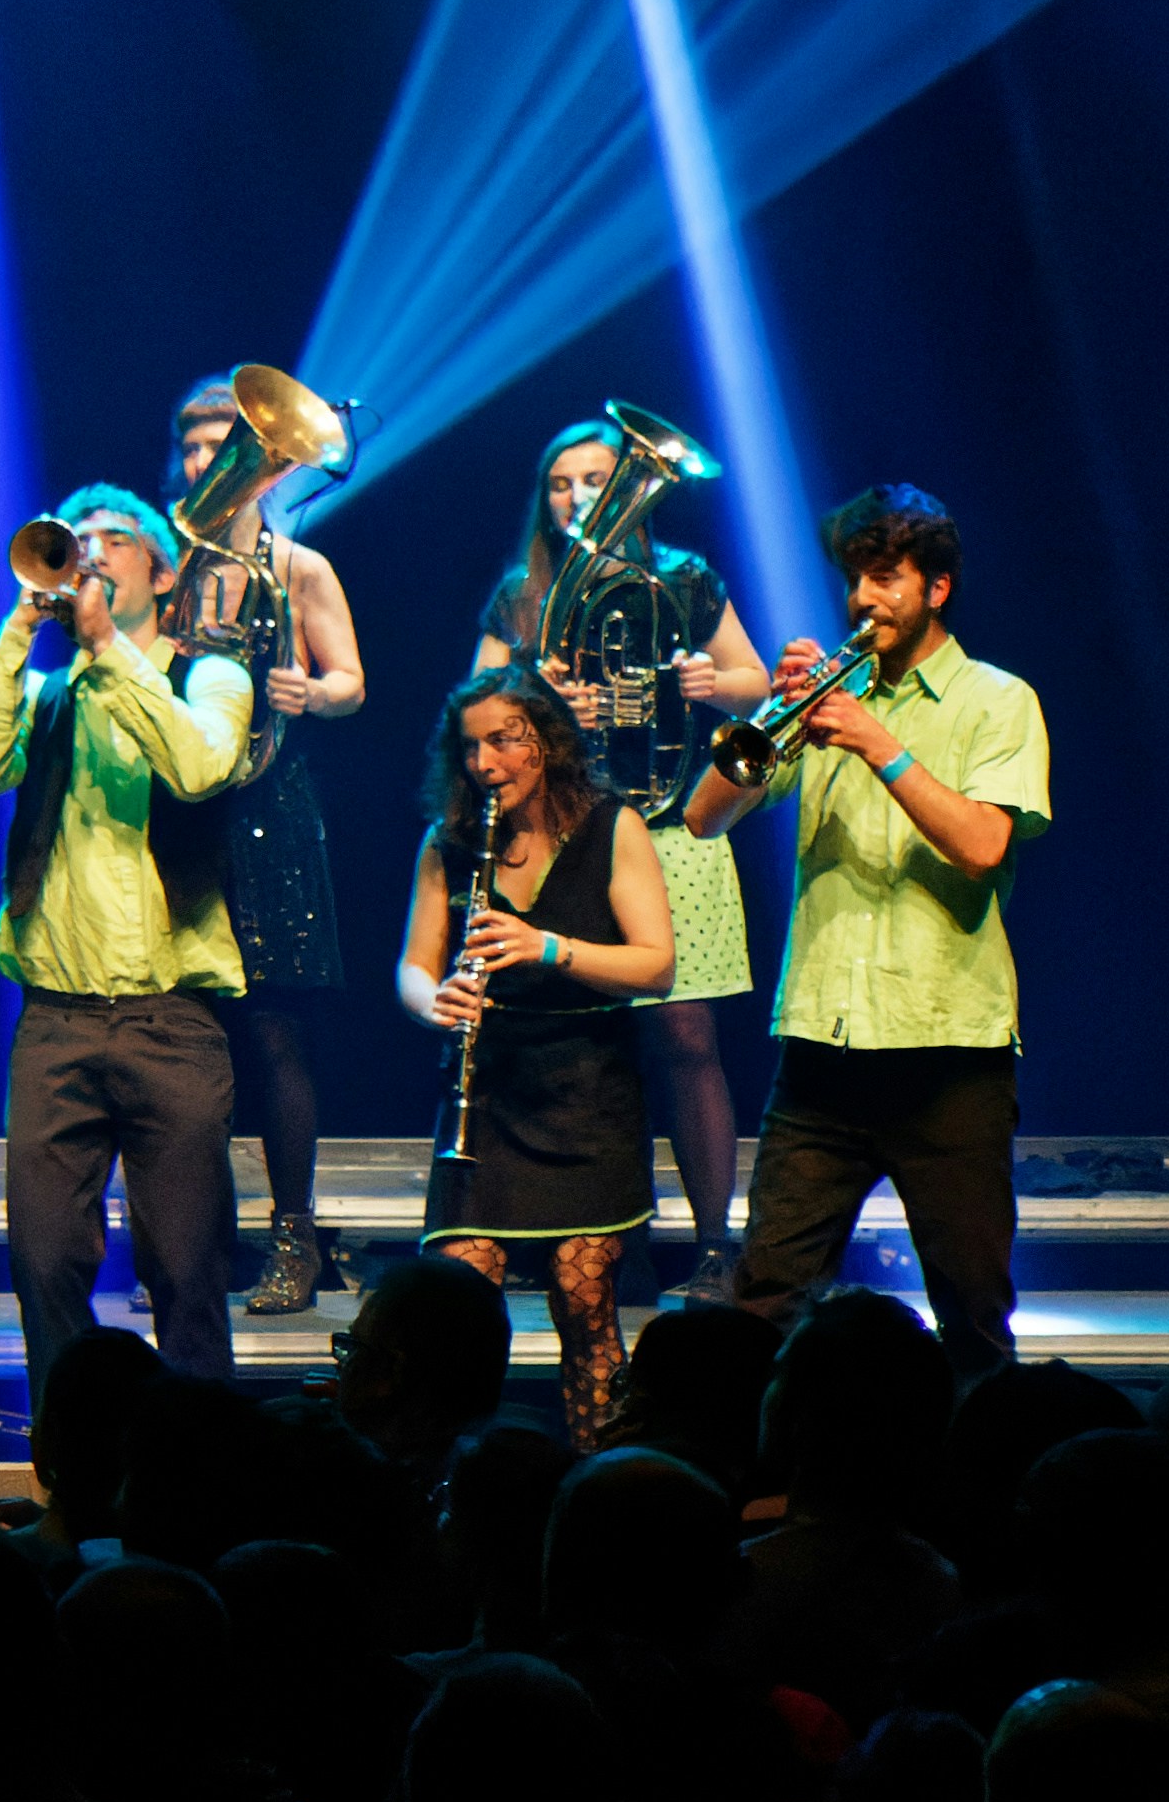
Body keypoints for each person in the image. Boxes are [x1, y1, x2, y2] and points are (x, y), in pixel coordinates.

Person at [684, 483, 1052, 1376]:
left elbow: (984, 845)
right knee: (765, 1301)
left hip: (948, 1055)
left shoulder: (998, 700)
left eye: (885, 578)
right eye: (855, 578)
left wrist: (879, 744)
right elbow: (703, 816)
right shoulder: (825, 701)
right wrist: (774, 712)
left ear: (937, 587)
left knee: (972, 1311)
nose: (862, 599)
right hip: (823, 1050)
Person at [0, 485, 256, 1394]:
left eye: (114, 540)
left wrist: (108, 650)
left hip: (172, 1023)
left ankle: (194, 1455)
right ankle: (73, 1454)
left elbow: (199, 767)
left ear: (160, 575)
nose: (89, 553)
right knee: (43, 1263)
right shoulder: (47, 694)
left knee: (187, 1269)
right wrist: (20, 628)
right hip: (56, 1022)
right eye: (76, 541)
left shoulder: (212, 677)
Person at [477, 411, 777, 1295]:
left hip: (672, 829)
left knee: (685, 1037)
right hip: (568, 840)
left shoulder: (683, 579)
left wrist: (711, 683)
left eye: (594, 481)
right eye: (560, 484)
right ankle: (601, 1241)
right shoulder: (524, 591)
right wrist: (536, 699)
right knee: (577, 1043)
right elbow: (475, 709)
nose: (576, 498)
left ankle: (717, 1245)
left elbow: (755, 682)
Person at [397, 672, 682, 1448]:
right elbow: (414, 966)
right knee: (454, 1307)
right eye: (471, 748)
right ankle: (450, 1483)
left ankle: (599, 1482)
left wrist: (548, 947)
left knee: (584, 1303)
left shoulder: (612, 825)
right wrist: (434, 1001)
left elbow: (657, 966)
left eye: (503, 741)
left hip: (587, 1090)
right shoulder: (451, 841)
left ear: (548, 743)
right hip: (488, 1092)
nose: (485, 764)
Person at [153, 376, 373, 1322]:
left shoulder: (299, 566)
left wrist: (312, 693)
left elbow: (352, 680)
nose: (209, 460)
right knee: (177, 1033)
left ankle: (295, 1238)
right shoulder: (163, 558)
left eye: (227, 444)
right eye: (196, 446)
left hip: (268, 803)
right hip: (178, 806)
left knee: (276, 1031)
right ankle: (187, 1237)